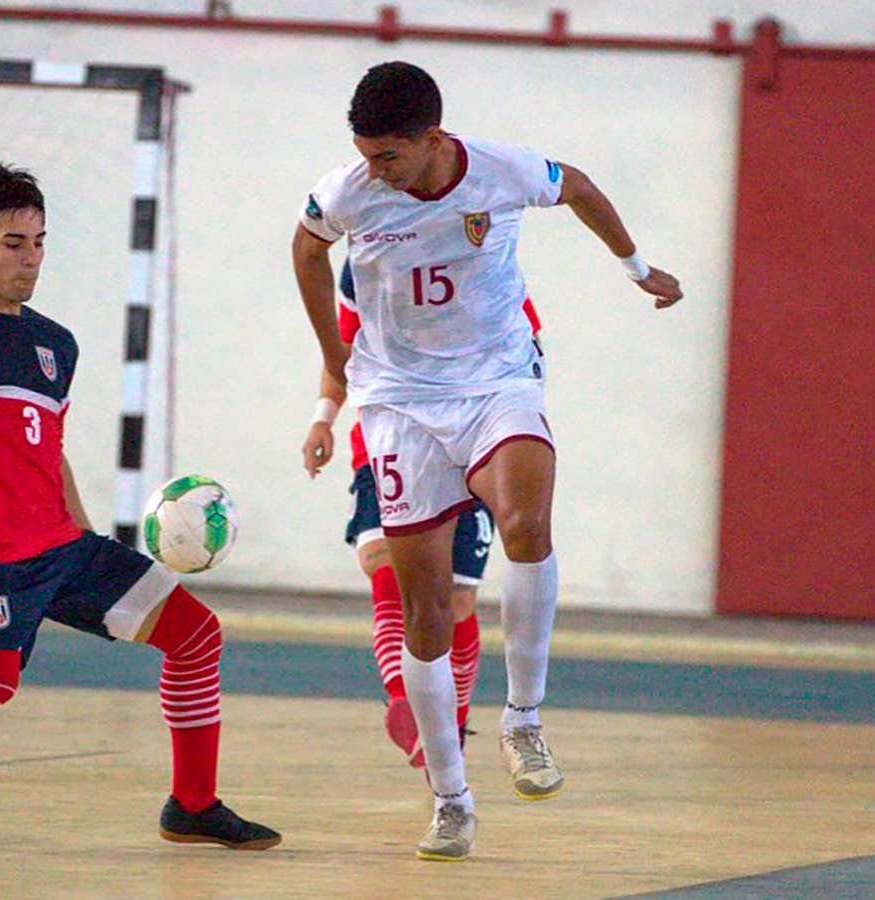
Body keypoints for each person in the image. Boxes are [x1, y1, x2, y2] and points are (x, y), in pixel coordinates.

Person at [0, 163, 280, 851]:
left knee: (195, 635)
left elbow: (48, 448)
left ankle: (193, 804)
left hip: (60, 543)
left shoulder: (55, 345)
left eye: (39, 241)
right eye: (13, 243)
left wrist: (86, 534)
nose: (30, 258)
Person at [292, 62, 682, 861]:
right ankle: (451, 799)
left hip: (496, 378)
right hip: (399, 403)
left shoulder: (500, 170)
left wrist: (637, 268)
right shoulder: (348, 193)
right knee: (428, 615)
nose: (376, 170)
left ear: (432, 139)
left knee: (526, 520)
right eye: (365, 154)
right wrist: (336, 359)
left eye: (389, 156)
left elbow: (576, 186)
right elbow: (303, 251)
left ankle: (525, 719)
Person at [301, 260, 544, 770]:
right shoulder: (365, 263)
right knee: (386, 564)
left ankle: (449, 723)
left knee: (455, 599)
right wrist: (323, 418)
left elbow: (527, 344)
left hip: (470, 439)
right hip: (389, 437)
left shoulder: (485, 255)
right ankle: (404, 702)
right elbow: (342, 353)